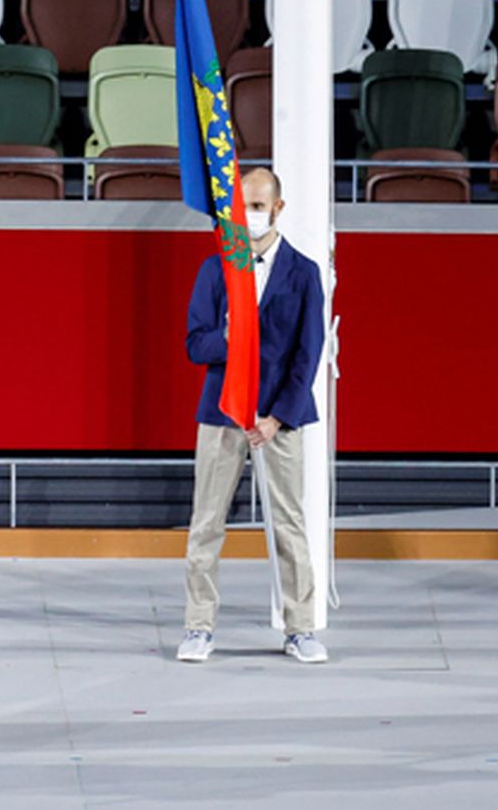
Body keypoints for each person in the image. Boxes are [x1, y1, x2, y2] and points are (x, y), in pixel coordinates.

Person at [179, 167, 329, 665]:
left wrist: (276, 418)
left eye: (261, 204)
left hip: (279, 420)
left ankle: (300, 628)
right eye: (244, 205)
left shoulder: (304, 272)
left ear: (279, 208)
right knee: (206, 524)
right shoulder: (215, 269)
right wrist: (230, 336)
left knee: (290, 523)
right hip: (223, 414)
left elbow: (308, 354)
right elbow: (195, 344)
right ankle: (199, 627)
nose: (251, 214)